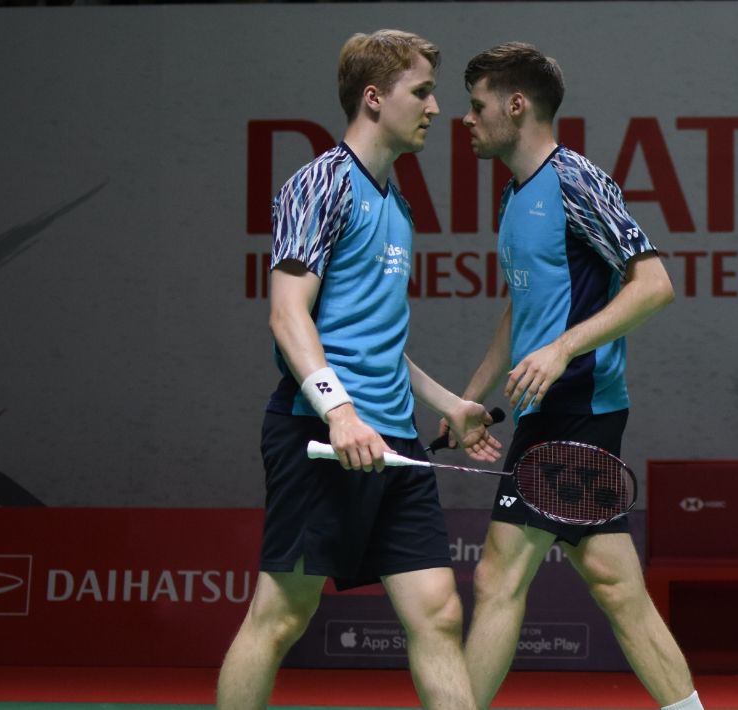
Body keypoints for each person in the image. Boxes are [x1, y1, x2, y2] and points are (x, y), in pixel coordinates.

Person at [216, 29, 500, 710]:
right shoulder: (321, 184)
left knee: (438, 612)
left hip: (394, 443)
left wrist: (450, 402)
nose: (437, 107)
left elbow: (374, 341)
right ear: (374, 98)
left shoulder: (396, 202)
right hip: (320, 438)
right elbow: (289, 317)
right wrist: (338, 411)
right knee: (281, 618)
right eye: (423, 91)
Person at [447, 42, 704, 710]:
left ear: (516, 104)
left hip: (578, 403)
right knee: (617, 587)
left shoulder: (575, 181)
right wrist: (468, 399)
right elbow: (520, 309)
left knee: (500, 578)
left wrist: (562, 350)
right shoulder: (515, 194)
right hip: (548, 408)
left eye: (476, 106)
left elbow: (654, 284)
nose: (465, 120)